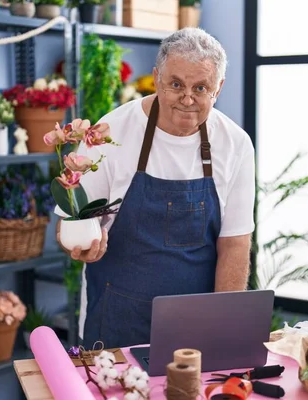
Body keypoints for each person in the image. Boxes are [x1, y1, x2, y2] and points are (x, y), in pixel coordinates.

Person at [55, 27, 256, 349]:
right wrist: (81, 244)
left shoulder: (235, 144)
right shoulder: (108, 133)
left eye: (200, 88)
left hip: (196, 322)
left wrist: (225, 327)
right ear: (157, 77)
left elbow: (234, 244)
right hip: (116, 318)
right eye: (175, 84)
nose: (187, 99)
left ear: (219, 88)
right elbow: (69, 224)